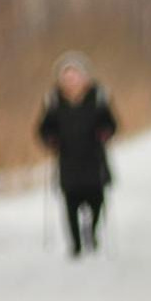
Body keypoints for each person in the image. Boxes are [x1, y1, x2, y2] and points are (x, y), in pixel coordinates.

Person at [36, 52, 118, 259]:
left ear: (85, 76)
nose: (71, 79)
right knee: (70, 201)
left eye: (75, 74)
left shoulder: (99, 96)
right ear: (60, 78)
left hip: (93, 157)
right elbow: (44, 127)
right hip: (68, 157)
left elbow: (111, 123)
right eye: (67, 75)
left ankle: (91, 232)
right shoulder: (53, 100)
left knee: (97, 199)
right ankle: (75, 244)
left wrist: (105, 132)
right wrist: (49, 139)